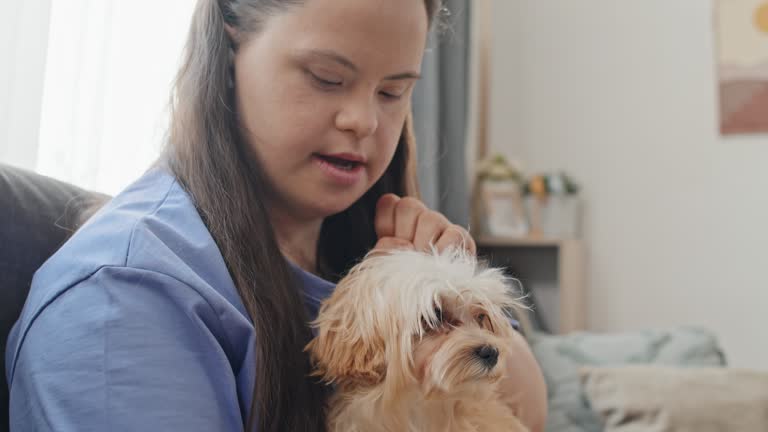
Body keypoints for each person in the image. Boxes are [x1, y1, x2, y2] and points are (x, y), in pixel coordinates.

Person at [5, 0, 547, 430]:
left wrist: (445, 288)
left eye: (393, 91)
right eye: (326, 77)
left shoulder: (370, 250)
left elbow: (525, 410)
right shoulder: (123, 300)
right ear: (229, 43)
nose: (363, 119)